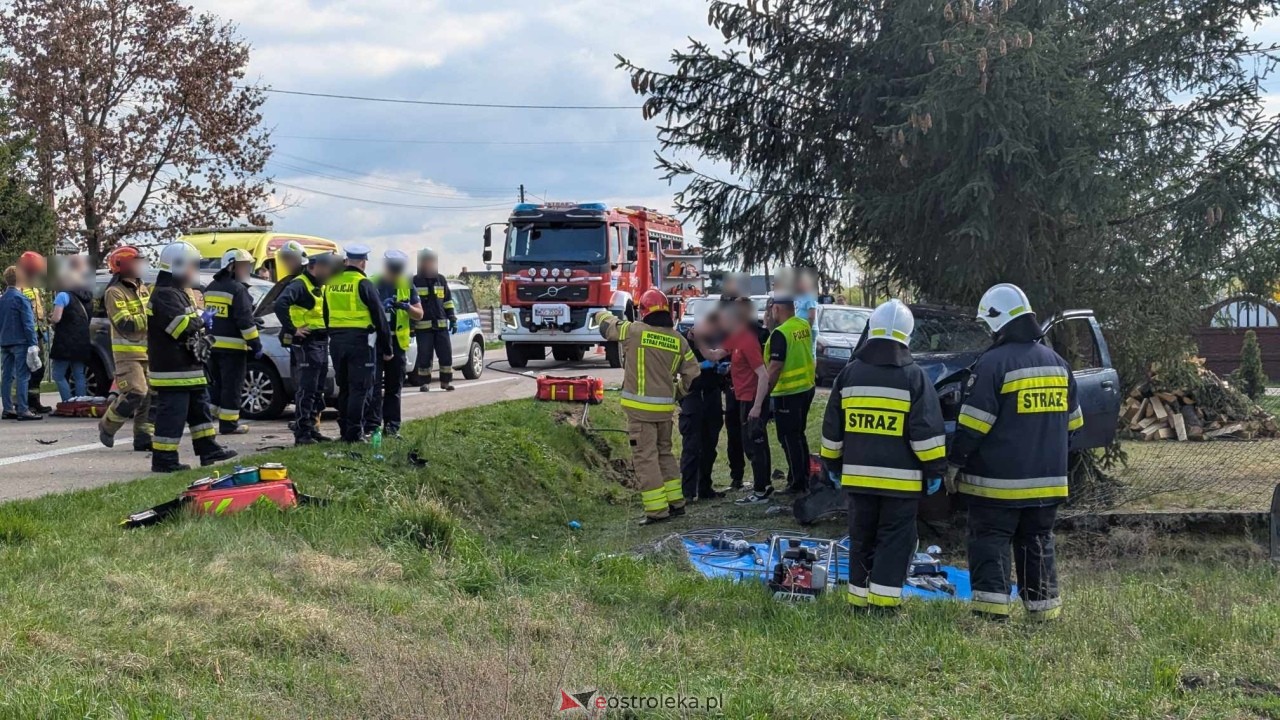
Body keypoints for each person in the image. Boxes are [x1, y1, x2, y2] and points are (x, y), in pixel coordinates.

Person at [946, 283, 1083, 621]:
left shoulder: (993, 364)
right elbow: (1074, 424)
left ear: (997, 321)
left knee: (990, 542)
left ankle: (991, 616)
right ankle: (1043, 615)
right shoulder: (1058, 364)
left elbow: (973, 426)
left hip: (997, 484)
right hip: (1048, 484)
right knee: (1037, 544)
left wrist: (954, 464)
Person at [821, 300, 946, 611]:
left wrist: (832, 465)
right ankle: (884, 607)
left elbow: (832, 430)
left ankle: (857, 601)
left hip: (857, 480)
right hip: (901, 484)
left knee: (861, 538)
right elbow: (926, 433)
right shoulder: (914, 377)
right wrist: (934, 472)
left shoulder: (849, 375)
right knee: (894, 541)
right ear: (908, 335)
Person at [594, 289, 701, 525]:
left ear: (643, 312)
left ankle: (656, 511)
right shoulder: (678, 340)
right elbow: (693, 375)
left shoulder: (635, 331)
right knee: (664, 454)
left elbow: (608, 329)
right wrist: (677, 394)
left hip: (640, 413)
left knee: (646, 459)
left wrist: (600, 313)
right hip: (664, 411)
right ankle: (676, 503)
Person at [147, 242, 236, 472]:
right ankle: (164, 460)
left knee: (200, 411)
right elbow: (178, 327)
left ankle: (209, 449)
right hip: (172, 371)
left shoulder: (176, 292)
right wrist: (201, 320)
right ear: (177, 265)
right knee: (172, 417)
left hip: (188, 368)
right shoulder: (165, 295)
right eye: (192, 265)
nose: (194, 270)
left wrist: (200, 321)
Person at [704, 299, 775, 504]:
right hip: (742, 397)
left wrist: (757, 406)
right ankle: (763, 485)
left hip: (753, 398)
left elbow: (763, 375)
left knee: (755, 444)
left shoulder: (748, 340)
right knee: (750, 442)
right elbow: (715, 354)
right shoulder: (737, 337)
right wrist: (698, 339)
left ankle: (760, 491)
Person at [324, 245, 392, 443]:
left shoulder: (332, 283)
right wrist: (387, 349)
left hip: (336, 342)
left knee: (344, 388)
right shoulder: (364, 283)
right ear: (363, 262)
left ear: (347, 261)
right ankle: (354, 434)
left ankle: (345, 430)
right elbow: (380, 318)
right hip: (360, 343)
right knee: (359, 389)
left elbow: (326, 314)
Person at [274, 251, 337, 446]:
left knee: (318, 389)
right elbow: (280, 304)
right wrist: (294, 329)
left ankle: (313, 429)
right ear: (312, 267)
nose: (328, 271)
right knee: (307, 389)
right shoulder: (300, 284)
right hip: (307, 343)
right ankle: (302, 434)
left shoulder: (319, 285)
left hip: (320, 341)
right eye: (325, 267)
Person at [99, 246, 154, 450]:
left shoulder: (142, 288)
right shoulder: (114, 292)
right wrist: (152, 316)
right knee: (136, 392)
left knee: (149, 395)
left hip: (147, 351)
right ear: (123, 266)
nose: (141, 265)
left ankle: (143, 437)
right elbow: (125, 323)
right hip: (127, 355)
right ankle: (107, 425)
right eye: (136, 261)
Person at [204, 248, 263, 435]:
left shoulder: (211, 287)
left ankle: (207, 421)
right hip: (233, 348)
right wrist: (256, 344)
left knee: (217, 386)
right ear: (232, 266)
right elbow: (244, 322)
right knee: (232, 387)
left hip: (212, 347)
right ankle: (229, 424)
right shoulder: (238, 290)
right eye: (244, 266)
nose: (247, 270)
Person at [765, 295, 817, 494]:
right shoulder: (802, 324)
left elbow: (775, 367)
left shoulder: (781, 333)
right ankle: (803, 477)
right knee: (798, 435)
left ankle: (797, 483)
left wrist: (763, 396)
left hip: (788, 391)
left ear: (777, 308)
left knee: (788, 437)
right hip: (806, 388)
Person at [369, 249, 422, 437]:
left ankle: (392, 427)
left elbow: (419, 313)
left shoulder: (406, 284)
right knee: (373, 386)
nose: (395, 274)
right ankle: (372, 426)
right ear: (386, 267)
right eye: (393, 270)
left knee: (394, 387)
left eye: (398, 270)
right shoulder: (372, 282)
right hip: (376, 342)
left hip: (397, 342)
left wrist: (406, 307)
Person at [678, 310, 726, 502]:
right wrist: (703, 366)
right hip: (693, 396)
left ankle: (705, 487)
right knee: (692, 446)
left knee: (710, 446)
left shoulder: (717, 339)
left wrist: (722, 370)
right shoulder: (685, 341)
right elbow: (680, 367)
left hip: (712, 395)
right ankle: (688, 492)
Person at [0, 265, 42, 421]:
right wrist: (33, 343)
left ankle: (7, 408)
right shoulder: (21, 298)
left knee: (6, 376)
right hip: (21, 341)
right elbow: (28, 323)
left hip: (5, 342)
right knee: (23, 376)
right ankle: (23, 409)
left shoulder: (2, 299)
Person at [49, 255, 93, 402]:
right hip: (82, 340)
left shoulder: (63, 295)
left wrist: (50, 319)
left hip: (65, 342)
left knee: (58, 375)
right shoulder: (87, 296)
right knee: (79, 374)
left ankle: (67, 402)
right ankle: (80, 403)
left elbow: (57, 318)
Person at [411, 248, 456, 392]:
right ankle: (425, 383)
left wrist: (452, 318)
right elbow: (411, 304)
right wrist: (411, 326)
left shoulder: (440, 279)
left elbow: (447, 301)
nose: (428, 263)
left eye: (430, 260)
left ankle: (446, 382)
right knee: (424, 356)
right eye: (425, 260)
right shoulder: (414, 281)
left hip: (441, 326)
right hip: (423, 328)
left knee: (446, 355)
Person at [17, 251, 52, 414]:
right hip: (24, 336)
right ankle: (21, 402)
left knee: (39, 369)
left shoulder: (34, 287)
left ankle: (34, 401)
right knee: (25, 370)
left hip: (37, 334)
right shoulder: (20, 288)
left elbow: (38, 311)